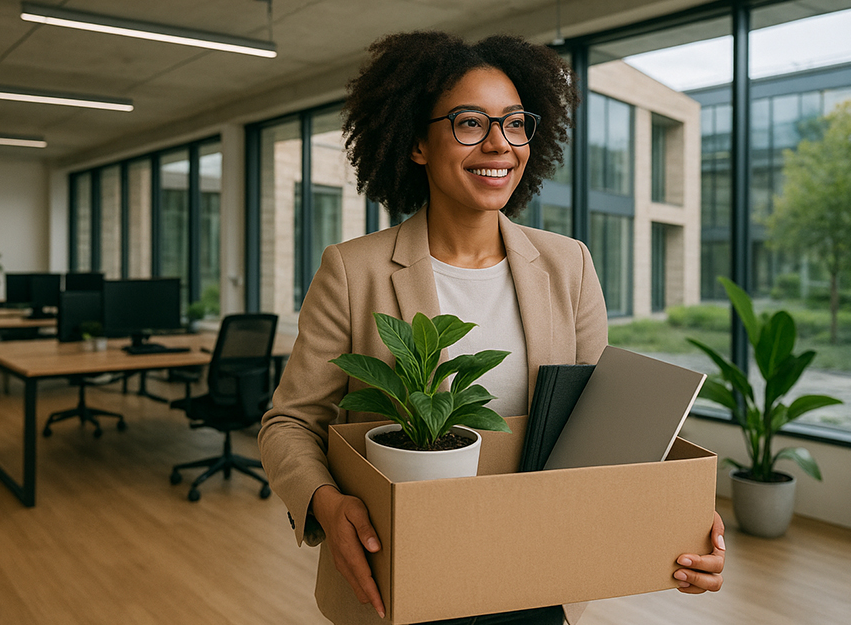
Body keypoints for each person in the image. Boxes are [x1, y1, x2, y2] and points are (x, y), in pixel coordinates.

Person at [258, 31, 725, 625]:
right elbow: (290, 422)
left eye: (514, 123)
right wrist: (326, 503)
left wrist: (682, 518)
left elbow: (602, 427)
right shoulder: (354, 271)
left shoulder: (569, 265)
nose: (499, 144)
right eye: (470, 123)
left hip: (539, 577)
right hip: (398, 578)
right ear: (418, 143)